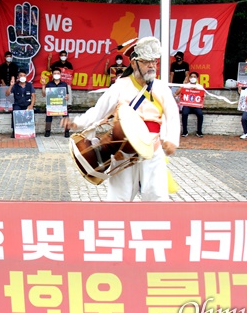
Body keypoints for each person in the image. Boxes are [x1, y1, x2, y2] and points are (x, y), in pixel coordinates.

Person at [63, 37, 180, 202]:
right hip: (123, 149)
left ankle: (156, 227)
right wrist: (78, 122)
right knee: (118, 197)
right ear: (134, 64)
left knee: (157, 195)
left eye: (154, 62)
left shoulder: (161, 88)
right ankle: (115, 225)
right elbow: (99, 110)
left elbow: (173, 114)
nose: (152, 65)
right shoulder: (120, 85)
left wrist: (171, 139)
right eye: (147, 62)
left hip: (152, 148)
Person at [40, 68, 69, 138]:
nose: (56, 75)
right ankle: (47, 130)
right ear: (52, 75)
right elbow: (44, 95)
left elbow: (67, 95)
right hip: (52, 104)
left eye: (58, 73)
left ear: (60, 74)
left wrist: (67, 97)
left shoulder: (64, 84)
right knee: (48, 115)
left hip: (61, 104)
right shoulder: (49, 84)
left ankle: (67, 130)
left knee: (66, 115)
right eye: (55, 73)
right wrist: (43, 85)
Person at [6, 70, 36, 138]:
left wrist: (31, 105)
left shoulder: (29, 85)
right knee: (15, 112)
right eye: (21, 76)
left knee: (30, 114)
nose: (22, 77)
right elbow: (7, 94)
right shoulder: (15, 85)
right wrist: (11, 85)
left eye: (24, 75)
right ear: (18, 77)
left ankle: (30, 131)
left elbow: (33, 96)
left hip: (27, 104)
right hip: (18, 104)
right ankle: (15, 131)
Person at [175, 71, 204, 137]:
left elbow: (203, 96)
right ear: (189, 78)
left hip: (196, 106)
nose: (193, 78)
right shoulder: (186, 85)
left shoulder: (200, 87)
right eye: (191, 77)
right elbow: (176, 93)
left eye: (194, 77)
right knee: (184, 113)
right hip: (187, 105)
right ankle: (185, 131)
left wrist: (196, 90)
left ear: (197, 78)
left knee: (200, 114)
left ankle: (199, 131)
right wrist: (183, 85)